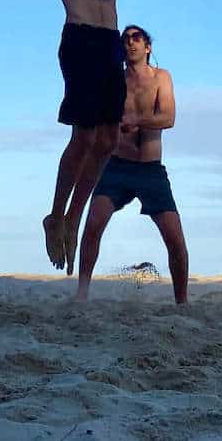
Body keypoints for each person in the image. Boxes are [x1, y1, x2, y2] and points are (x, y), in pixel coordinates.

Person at [0, 0, 222, 274]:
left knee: (104, 143)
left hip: (108, 44)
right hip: (80, 37)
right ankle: (55, 214)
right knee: (84, 137)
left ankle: (70, 220)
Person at [75, 25, 188, 303]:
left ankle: (182, 302)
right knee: (93, 225)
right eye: (125, 40)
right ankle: (81, 294)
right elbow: (97, 117)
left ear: (147, 47)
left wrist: (137, 121)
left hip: (150, 169)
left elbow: (168, 118)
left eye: (136, 38)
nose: (130, 43)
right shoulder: (115, 81)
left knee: (174, 238)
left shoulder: (161, 78)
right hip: (116, 165)